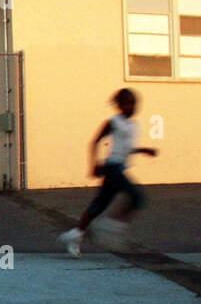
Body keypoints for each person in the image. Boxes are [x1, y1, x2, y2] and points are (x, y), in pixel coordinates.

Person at [57, 88, 158, 257]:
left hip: (118, 168)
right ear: (119, 106)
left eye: (134, 104)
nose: (131, 107)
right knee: (137, 197)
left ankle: (73, 236)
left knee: (99, 205)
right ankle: (110, 227)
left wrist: (142, 150)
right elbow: (95, 141)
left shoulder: (132, 125)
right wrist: (94, 164)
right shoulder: (113, 122)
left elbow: (124, 148)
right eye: (127, 104)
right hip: (113, 168)